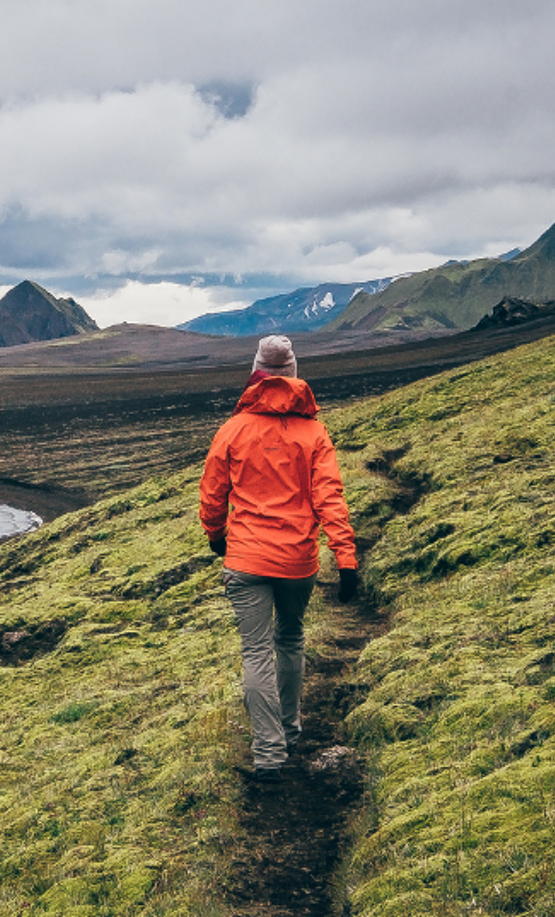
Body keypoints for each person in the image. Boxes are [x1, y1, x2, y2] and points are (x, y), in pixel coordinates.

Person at [198, 335, 359, 784]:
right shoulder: (314, 432)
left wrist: (216, 536)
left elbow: (212, 495)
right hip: (298, 561)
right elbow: (330, 499)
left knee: (255, 651)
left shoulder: (233, 430)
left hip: (246, 558)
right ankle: (289, 731)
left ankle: (268, 755)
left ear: (256, 374)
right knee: (290, 638)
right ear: (293, 373)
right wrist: (345, 558)